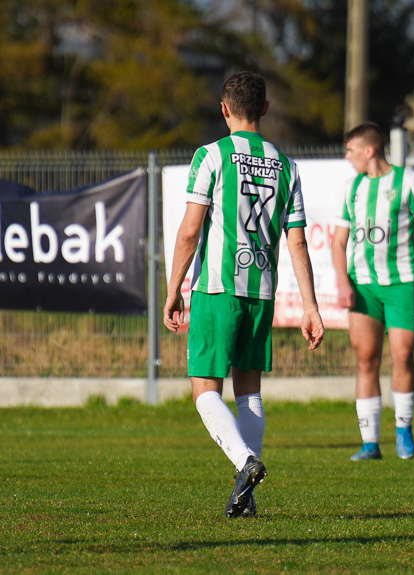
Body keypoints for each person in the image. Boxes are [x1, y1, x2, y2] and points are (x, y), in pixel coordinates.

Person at [163, 71, 325, 518]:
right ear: (266, 110)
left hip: (217, 288)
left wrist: (173, 290)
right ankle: (247, 498)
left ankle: (245, 463)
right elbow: (297, 242)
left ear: (224, 109)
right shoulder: (287, 166)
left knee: (203, 389)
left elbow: (190, 232)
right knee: (249, 392)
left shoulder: (211, 155)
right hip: (262, 292)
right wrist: (311, 307)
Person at [332, 122, 414, 461]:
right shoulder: (352, 187)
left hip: (402, 285)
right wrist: (342, 281)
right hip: (363, 285)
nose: (347, 157)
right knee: (367, 360)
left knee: (403, 355)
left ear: (369, 150)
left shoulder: (406, 181)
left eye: (351, 150)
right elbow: (338, 241)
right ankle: (369, 443)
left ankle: (404, 430)